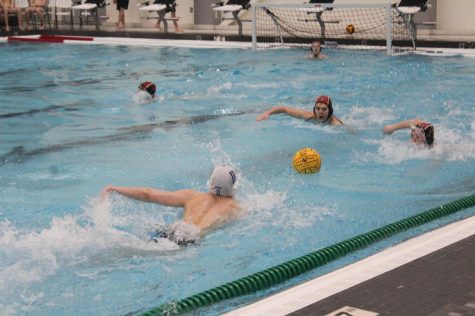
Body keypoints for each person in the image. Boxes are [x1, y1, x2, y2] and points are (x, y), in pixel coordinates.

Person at [100, 165, 239, 245]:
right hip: (190, 238)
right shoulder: (234, 208)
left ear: (211, 182)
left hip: (174, 229)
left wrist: (115, 188)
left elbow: (148, 194)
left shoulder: (192, 196)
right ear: (232, 186)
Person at [256, 95, 343, 125]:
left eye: (324, 109)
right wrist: (268, 112)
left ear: (330, 111)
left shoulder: (335, 123)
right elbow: (284, 109)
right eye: (318, 108)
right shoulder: (309, 116)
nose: (320, 111)